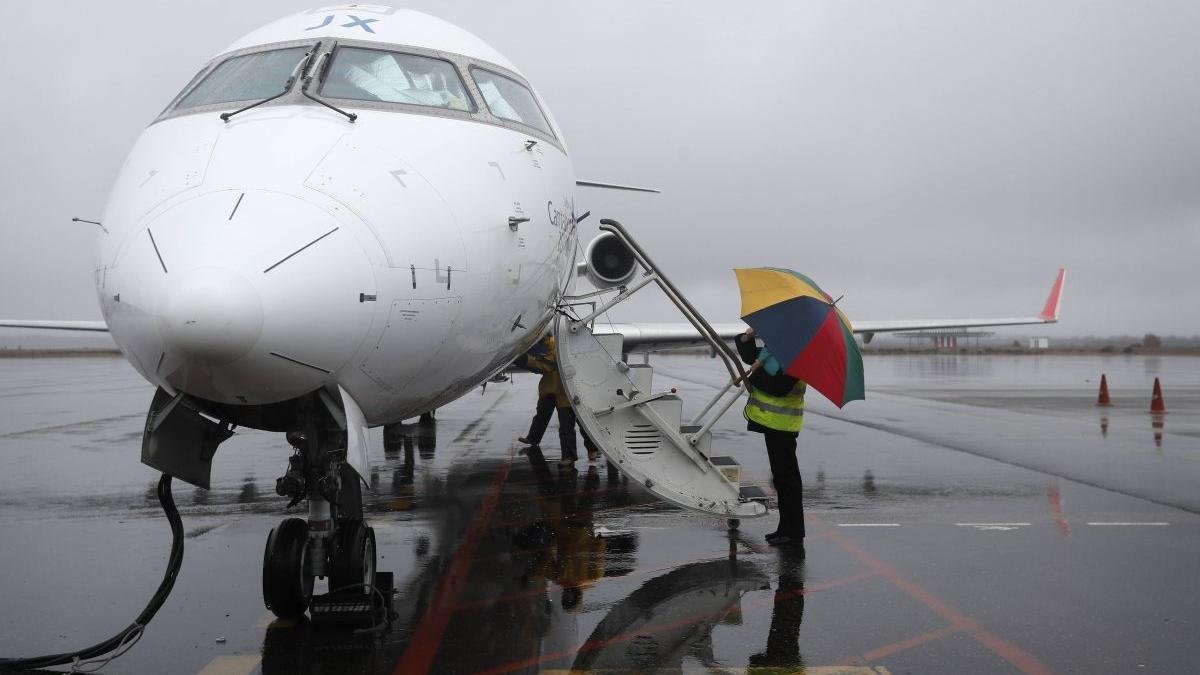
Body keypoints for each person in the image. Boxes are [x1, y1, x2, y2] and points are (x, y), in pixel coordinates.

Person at [735, 327, 807, 549]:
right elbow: (751, 357)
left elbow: (779, 387)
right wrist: (748, 337)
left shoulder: (797, 355)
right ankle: (786, 528)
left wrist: (754, 375)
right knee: (782, 478)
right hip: (773, 423)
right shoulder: (778, 348)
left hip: (782, 425)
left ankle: (793, 531)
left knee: (787, 479)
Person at [516, 335, 598, 467]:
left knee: (577, 426)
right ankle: (539, 442)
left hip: (571, 394)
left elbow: (546, 365)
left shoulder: (556, 347)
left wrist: (524, 359)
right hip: (555, 392)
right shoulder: (549, 345)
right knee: (550, 420)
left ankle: (587, 451)